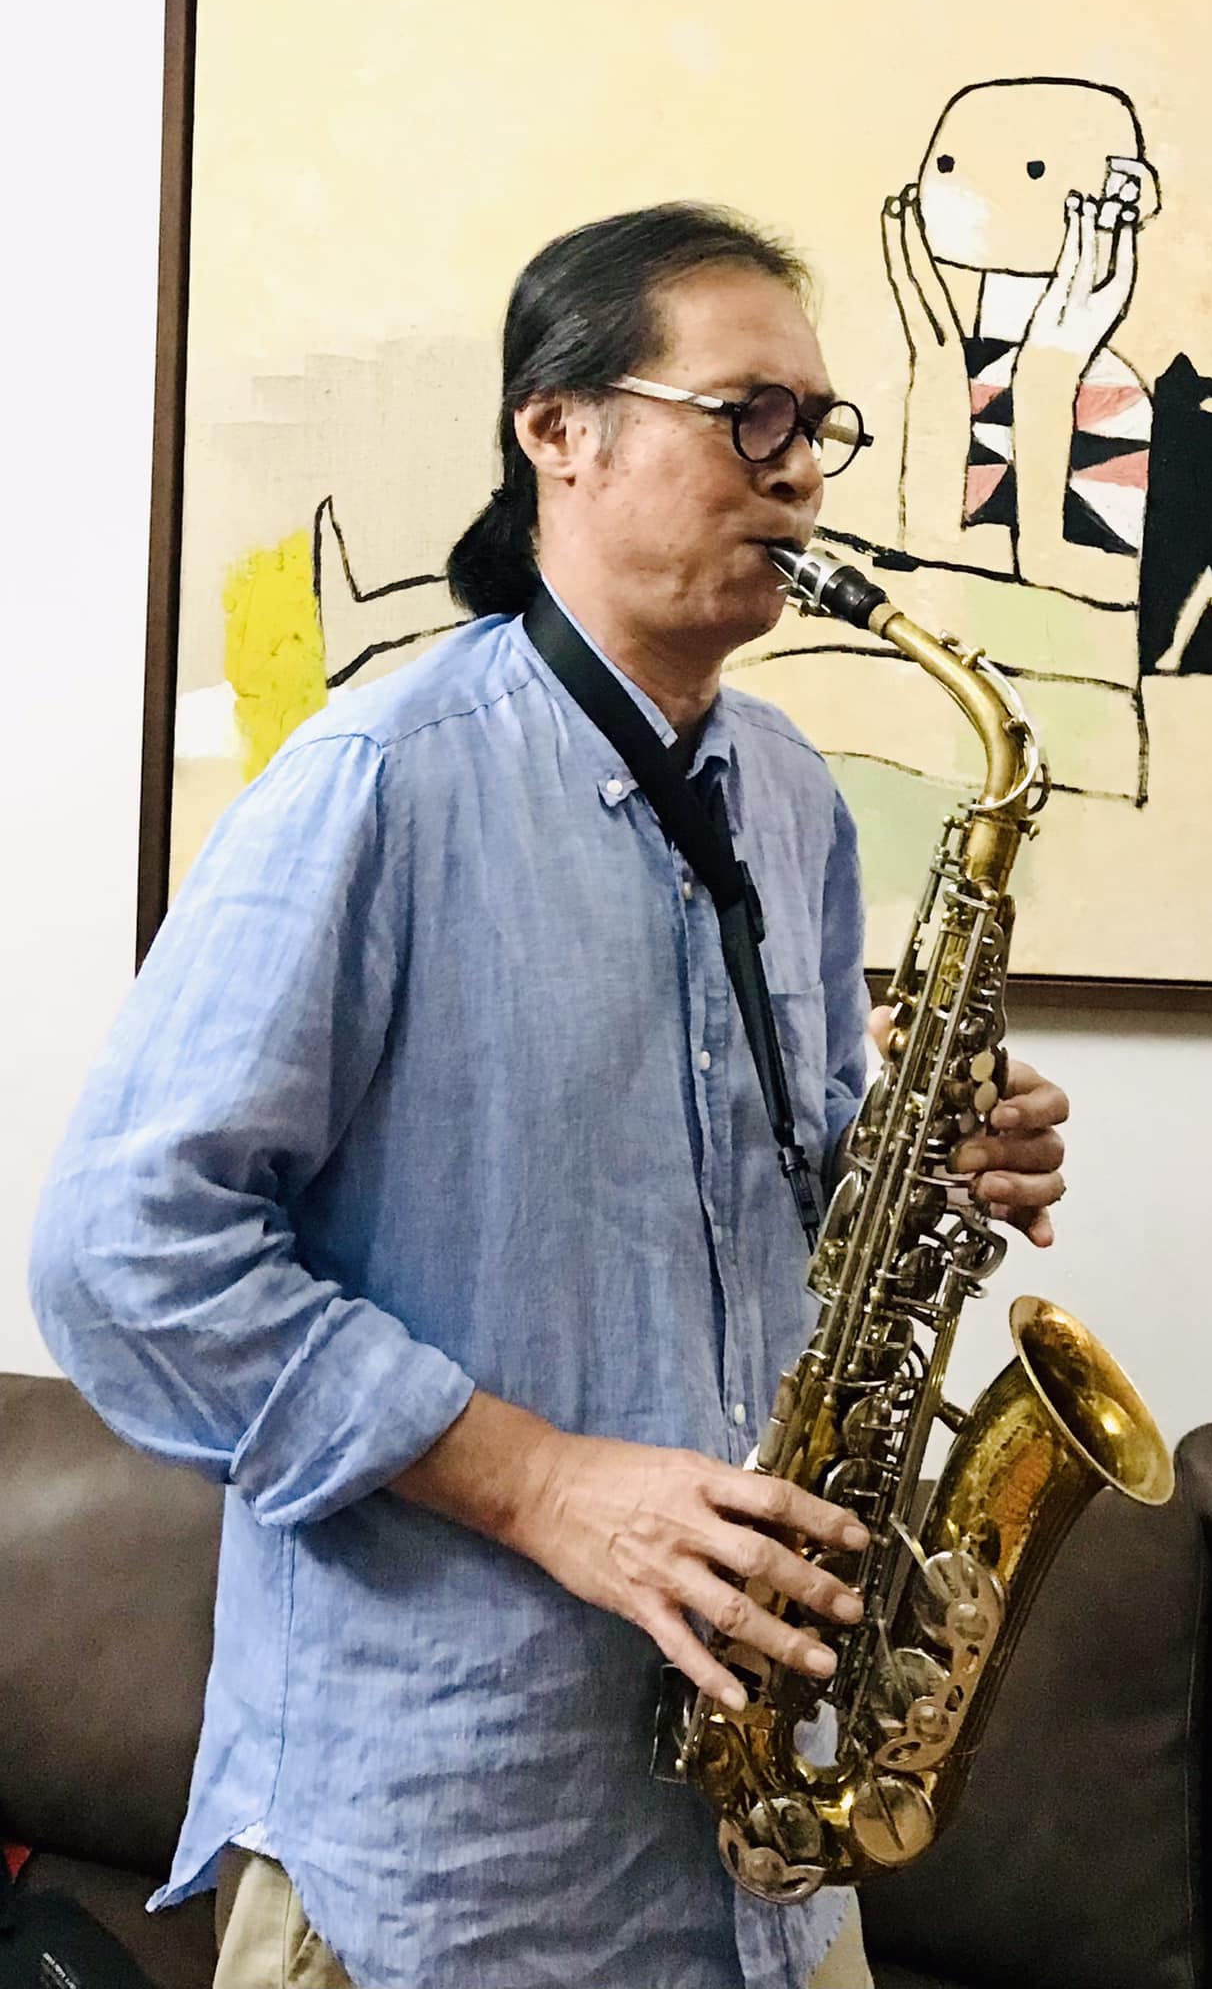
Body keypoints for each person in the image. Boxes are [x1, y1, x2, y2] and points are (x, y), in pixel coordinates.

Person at [29, 203, 1069, 1989]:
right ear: (557, 430)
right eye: (748, 415)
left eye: (817, 425)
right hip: (452, 1848)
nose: (802, 470)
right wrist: (543, 1486)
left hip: (764, 1852)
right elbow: (122, 1254)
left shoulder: (793, 796)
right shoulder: (375, 782)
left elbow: (776, 1187)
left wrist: (912, 1165)